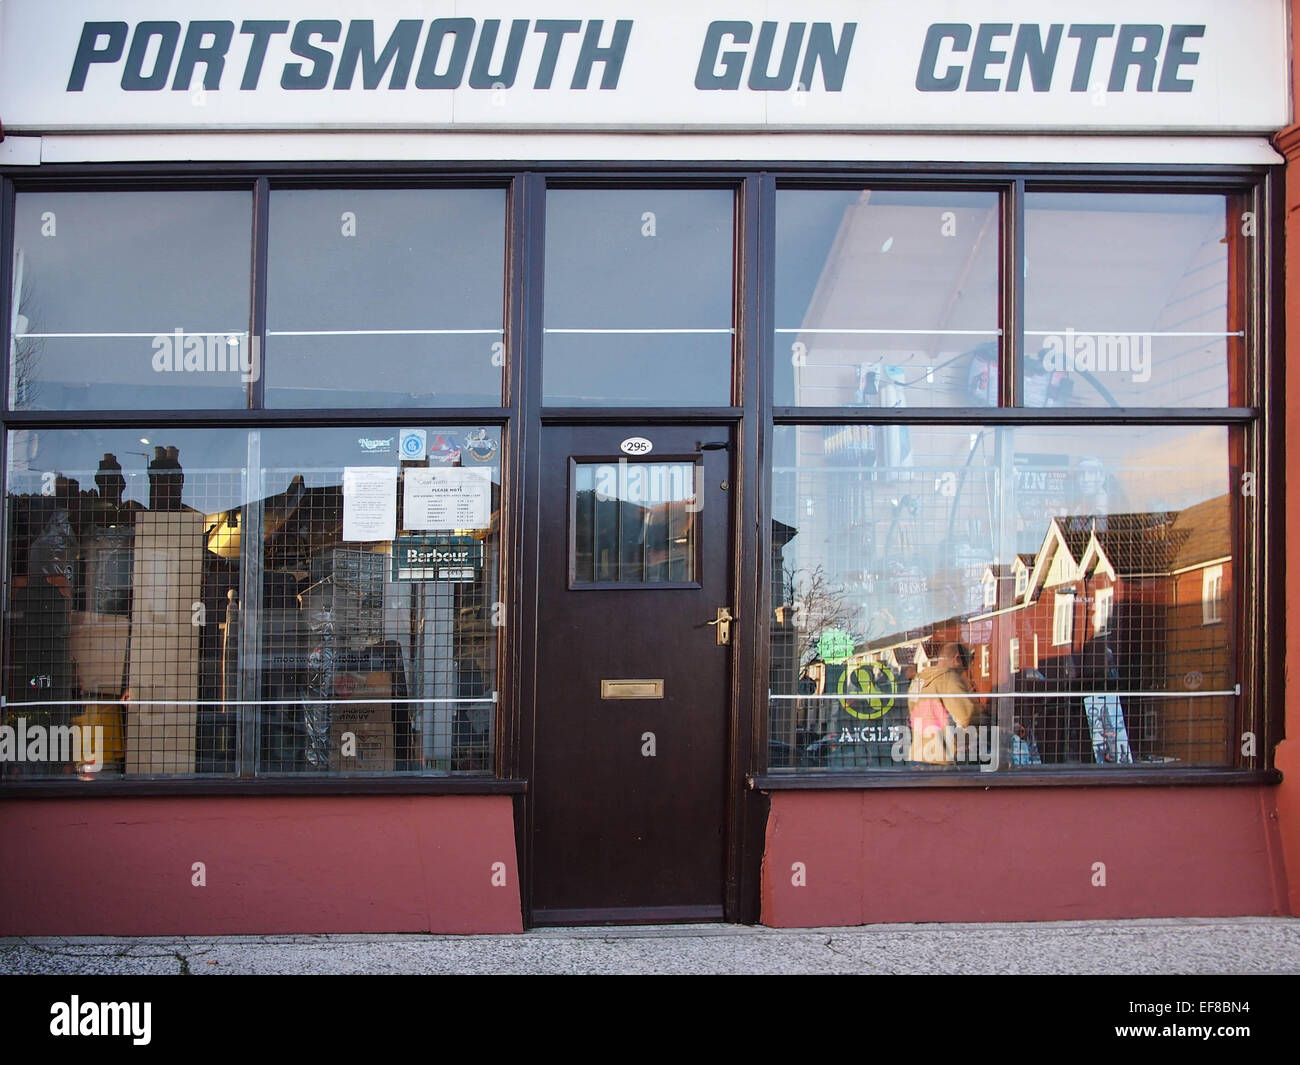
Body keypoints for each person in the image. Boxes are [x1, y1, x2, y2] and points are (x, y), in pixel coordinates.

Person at [907, 642, 977, 765]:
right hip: (940, 757)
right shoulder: (949, 678)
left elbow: (912, 708)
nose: (964, 672)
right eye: (965, 667)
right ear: (957, 659)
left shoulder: (919, 679)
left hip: (917, 754)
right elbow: (967, 716)